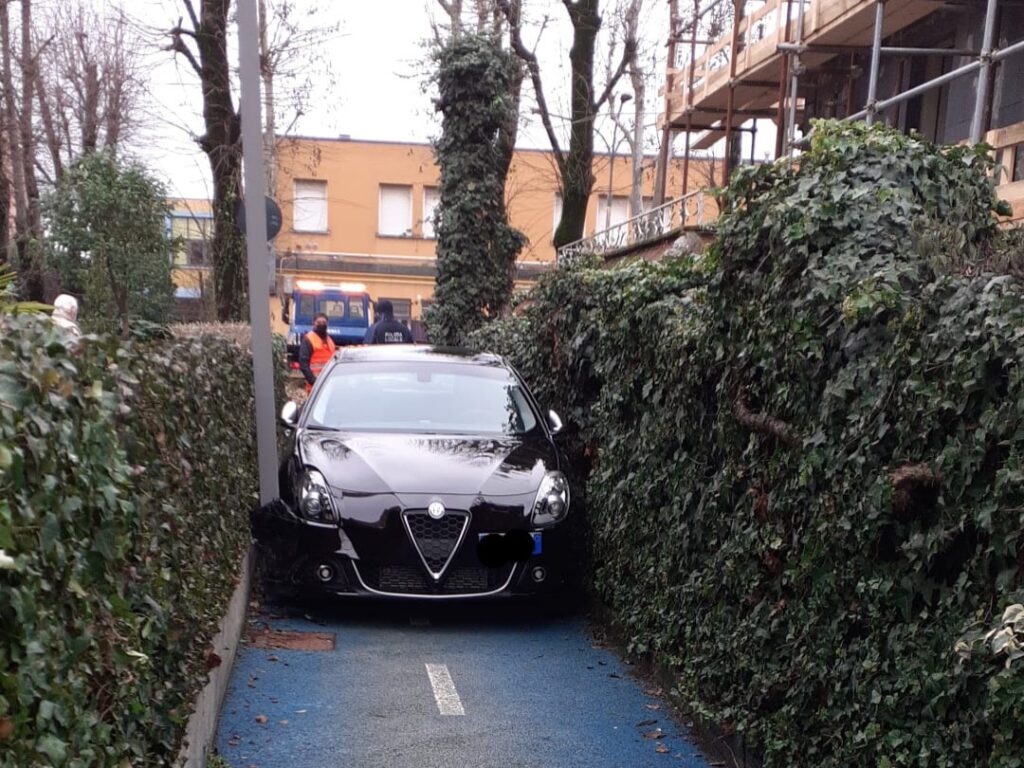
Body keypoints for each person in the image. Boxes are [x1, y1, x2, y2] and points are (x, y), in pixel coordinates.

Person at [298, 312, 336, 393]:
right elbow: (303, 364)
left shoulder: (330, 340)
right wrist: (313, 381)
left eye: (324, 323)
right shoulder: (308, 339)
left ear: (327, 324)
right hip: (315, 386)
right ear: (313, 323)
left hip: (328, 384)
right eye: (319, 322)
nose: (322, 324)